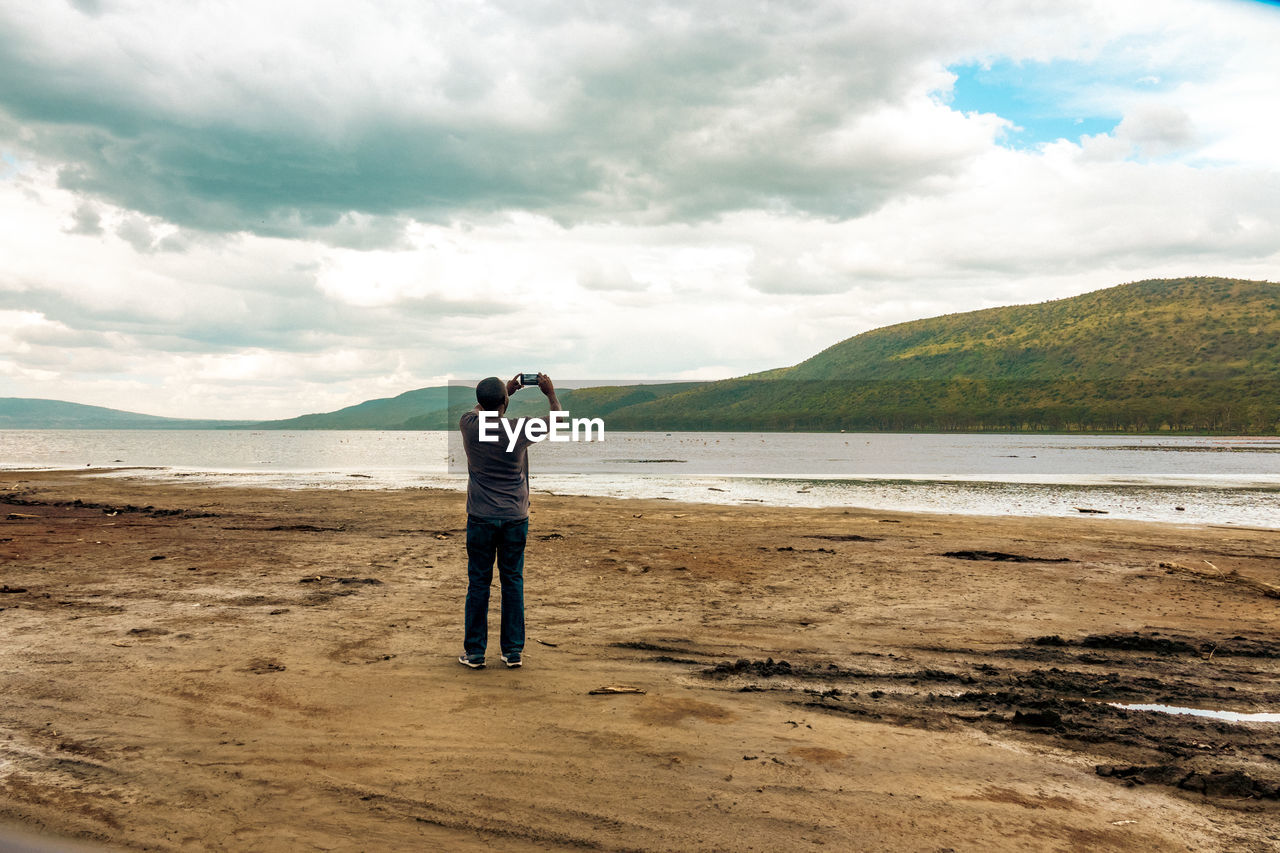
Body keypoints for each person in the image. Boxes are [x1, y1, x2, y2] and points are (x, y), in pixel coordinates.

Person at [457, 372, 560, 669]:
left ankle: (475, 653)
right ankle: (512, 651)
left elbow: (482, 410)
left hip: (480, 516)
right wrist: (549, 393)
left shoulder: (469, 425)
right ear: (504, 403)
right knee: (512, 580)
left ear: (479, 402)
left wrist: (505, 394)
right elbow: (558, 419)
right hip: (514, 516)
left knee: (478, 582)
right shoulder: (519, 429)